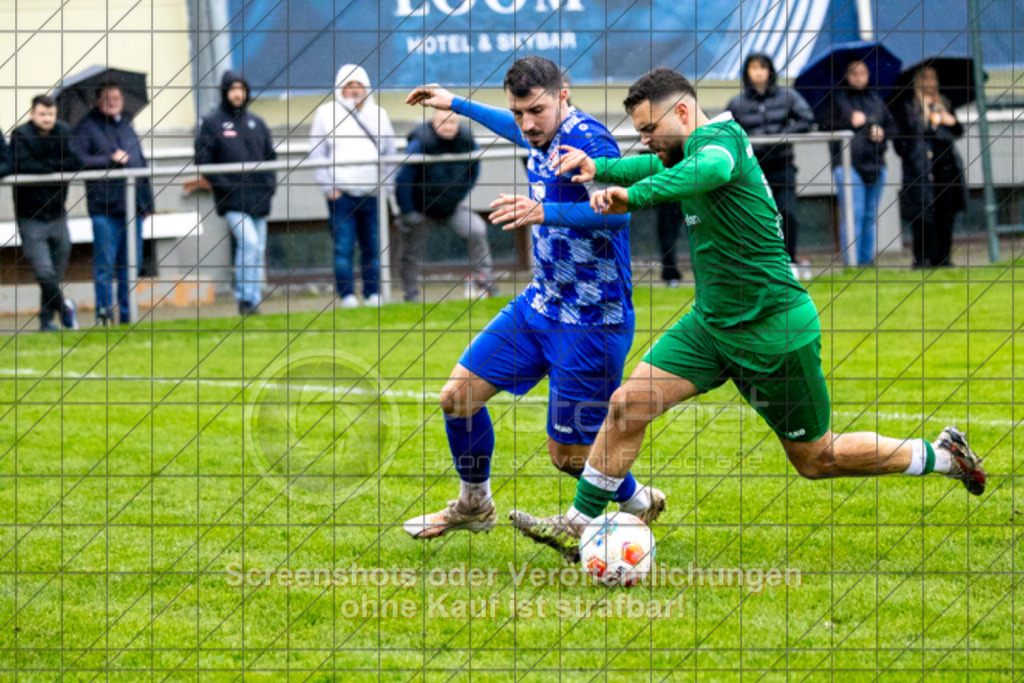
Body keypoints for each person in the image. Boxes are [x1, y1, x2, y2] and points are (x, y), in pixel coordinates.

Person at [510, 68, 986, 562]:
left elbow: (710, 171)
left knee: (816, 458)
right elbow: (652, 166)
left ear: (683, 112)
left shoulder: (720, 141)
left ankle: (942, 456)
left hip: (771, 330)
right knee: (628, 404)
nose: (645, 140)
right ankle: (578, 524)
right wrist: (602, 167)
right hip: (710, 326)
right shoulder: (686, 150)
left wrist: (632, 196)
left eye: (650, 129)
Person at [401, 56, 664, 539]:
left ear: (564, 95)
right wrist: (454, 102)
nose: (527, 124)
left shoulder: (590, 142)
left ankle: (636, 499)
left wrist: (544, 211)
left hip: (591, 318)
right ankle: (474, 504)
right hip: (540, 305)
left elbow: (619, 214)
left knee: (568, 457)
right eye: (519, 113)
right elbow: (513, 128)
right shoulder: (536, 131)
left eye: (536, 111)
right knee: (457, 398)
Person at [309, 64, 396, 308]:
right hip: (342, 195)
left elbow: (390, 153)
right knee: (343, 247)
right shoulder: (326, 114)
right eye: (350, 86)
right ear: (340, 89)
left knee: (372, 246)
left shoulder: (379, 114)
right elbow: (317, 153)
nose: (355, 91)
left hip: (372, 193)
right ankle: (346, 295)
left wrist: (387, 188)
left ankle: (373, 293)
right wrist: (330, 189)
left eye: (359, 86)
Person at [195, 70, 277, 316]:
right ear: (224, 92)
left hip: (259, 198)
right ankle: (245, 298)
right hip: (232, 200)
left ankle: (253, 299)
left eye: (241, 89)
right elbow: (203, 160)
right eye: (232, 89)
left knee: (257, 248)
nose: (237, 94)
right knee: (248, 243)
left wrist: (269, 186)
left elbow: (270, 158)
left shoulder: (257, 123)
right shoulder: (212, 123)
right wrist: (225, 186)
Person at [727, 53, 816, 275]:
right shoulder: (737, 103)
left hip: (782, 165)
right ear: (746, 72)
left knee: (787, 213)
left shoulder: (788, 96)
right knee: (754, 217)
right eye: (753, 68)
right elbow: (727, 131)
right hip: (752, 170)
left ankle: (789, 261)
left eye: (762, 67)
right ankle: (758, 265)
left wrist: (781, 136)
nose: (758, 73)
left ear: (770, 71)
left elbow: (807, 119)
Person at [74, 83, 155, 325]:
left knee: (130, 267)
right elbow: (79, 161)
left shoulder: (127, 126)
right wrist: (110, 159)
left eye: (117, 97)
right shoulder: (87, 128)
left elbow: (140, 164)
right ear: (98, 101)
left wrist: (147, 203)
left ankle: (128, 317)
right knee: (105, 266)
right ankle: (105, 316)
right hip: (105, 209)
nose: (113, 101)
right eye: (107, 97)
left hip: (133, 208)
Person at [394, 108, 494, 302]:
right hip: (420, 208)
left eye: (452, 122)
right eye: (443, 122)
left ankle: (486, 286)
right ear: (433, 122)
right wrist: (407, 211)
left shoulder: (466, 140)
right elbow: (403, 179)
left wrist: (458, 195)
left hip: (452, 207)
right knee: (410, 251)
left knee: (476, 229)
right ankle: (411, 296)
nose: (448, 127)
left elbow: (474, 171)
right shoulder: (420, 142)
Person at [11, 95, 84, 331]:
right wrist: (54, 166)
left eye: (51, 114)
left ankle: (46, 322)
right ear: (32, 114)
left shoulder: (63, 132)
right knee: (44, 272)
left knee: (55, 273)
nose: (47, 119)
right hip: (30, 215)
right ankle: (65, 308)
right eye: (42, 114)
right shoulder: (21, 135)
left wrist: (47, 166)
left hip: (58, 213)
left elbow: (75, 161)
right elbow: (22, 165)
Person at [891, 66, 966, 268]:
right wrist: (925, 129)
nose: (930, 82)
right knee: (923, 213)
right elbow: (901, 142)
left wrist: (949, 120)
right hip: (921, 168)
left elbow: (958, 131)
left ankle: (944, 257)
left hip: (946, 166)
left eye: (933, 77)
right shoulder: (909, 107)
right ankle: (922, 257)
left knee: (946, 211)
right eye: (925, 77)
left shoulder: (944, 103)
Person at [826, 60, 897, 267]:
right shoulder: (836, 99)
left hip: (875, 163)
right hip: (848, 164)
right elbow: (824, 124)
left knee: (869, 215)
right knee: (853, 213)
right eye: (854, 73)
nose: (859, 78)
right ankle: (852, 262)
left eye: (863, 73)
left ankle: (866, 261)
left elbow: (892, 127)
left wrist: (881, 132)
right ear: (846, 75)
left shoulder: (876, 99)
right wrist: (848, 121)